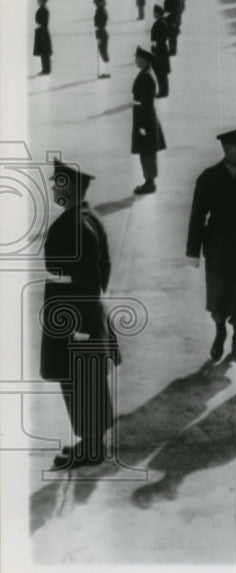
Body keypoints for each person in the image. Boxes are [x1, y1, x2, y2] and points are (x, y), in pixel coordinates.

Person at [40, 160, 121, 469]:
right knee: (85, 383)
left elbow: (87, 281)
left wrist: (80, 328)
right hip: (84, 315)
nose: (52, 187)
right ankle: (90, 444)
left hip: (77, 320)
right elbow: (104, 271)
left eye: (57, 182)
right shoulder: (89, 218)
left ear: (70, 186)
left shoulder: (75, 226)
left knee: (80, 383)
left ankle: (91, 450)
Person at [186, 127, 236, 363]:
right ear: (226, 149)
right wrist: (193, 251)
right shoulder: (209, 177)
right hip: (218, 249)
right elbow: (197, 215)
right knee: (219, 295)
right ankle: (220, 331)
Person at [130, 47, 165, 194]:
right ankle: (148, 181)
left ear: (144, 59)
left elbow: (148, 103)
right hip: (145, 118)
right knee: (146, 152)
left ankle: (150, 183)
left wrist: (143, 125)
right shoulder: (145, 73)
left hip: (146, 120)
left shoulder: (147, 77)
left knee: (147, 152)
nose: (135, 60)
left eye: (137, 58)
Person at [150, 5, 171, 98]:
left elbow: (159, 38)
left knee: (161, 72)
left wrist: (155, 46)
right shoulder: (162, 22)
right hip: (161, 49)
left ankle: (163, 92)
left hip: (160, 50)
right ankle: (164, 91)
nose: (153, 13)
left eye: (154, 12)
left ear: (158, 13)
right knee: (162, 72)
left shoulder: (160, 23)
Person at [34, 0, 52, 75]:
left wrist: (41, 34)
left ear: (42, 1)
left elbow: (44, 22)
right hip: (42, 31)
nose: (37, 1)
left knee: (44, 52)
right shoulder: (43, 9)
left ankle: (46, 70)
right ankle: (45, 69)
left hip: (42, 32)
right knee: (43, 52)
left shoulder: (43, 10)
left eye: (38, 0)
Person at [93, 0, 110, 79]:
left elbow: (99, 23)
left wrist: (98, 37)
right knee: (103, 53)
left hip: (101, 32)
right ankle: (104, 71)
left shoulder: (100, 11)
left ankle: (104, 72)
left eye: (97, 2)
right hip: (101, 32)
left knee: (102, 53)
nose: (95, 4)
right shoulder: (101, 10)